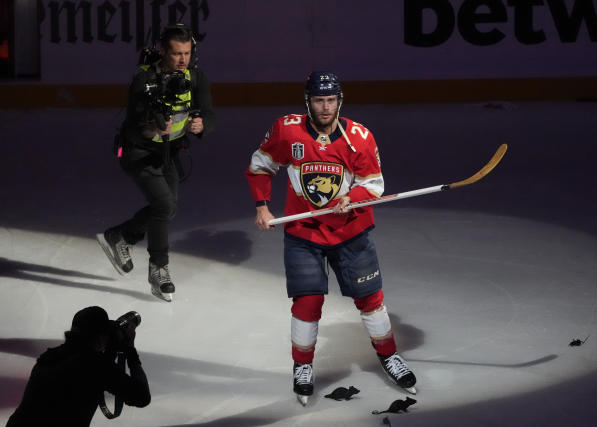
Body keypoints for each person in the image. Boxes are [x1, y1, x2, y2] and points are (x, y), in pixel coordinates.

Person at [245, 71, 416, 405]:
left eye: (331, 100)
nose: (325, 108)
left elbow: (374, 183)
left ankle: (389, 355)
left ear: (340, 100)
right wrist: (262, 206)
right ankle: (302, 367)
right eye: (319, 100)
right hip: (305, 232)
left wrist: (353, 197)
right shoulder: (287, 130)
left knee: (370, 299)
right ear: (307, 101)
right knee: (307, 302)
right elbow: (260, 164)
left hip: (351, 231)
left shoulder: (359, 137)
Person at [97, 23, 214, 302]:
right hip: (138, 153)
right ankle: (158, 270)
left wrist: (201, 125)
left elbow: (208, 113)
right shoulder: (144, 80)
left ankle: (121, 235)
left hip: (167, 154)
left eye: (187, 53)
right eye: (176, 53)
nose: (182, 59)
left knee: (167, 208)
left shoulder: (196, 78)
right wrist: (150, 129)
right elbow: (134, 126)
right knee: (164, 205)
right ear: (163, 51)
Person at [6, 306, 151, 426]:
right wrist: (131, 352)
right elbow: (142, 397)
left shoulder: (49, 357)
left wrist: (110, 349)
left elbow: (90, 376)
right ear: (101, 337)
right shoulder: (94, 365)